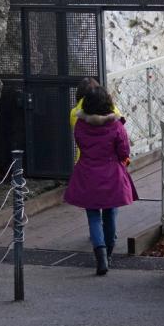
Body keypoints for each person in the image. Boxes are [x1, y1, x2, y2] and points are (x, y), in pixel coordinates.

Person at [64, 84, 137, 276]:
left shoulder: (80, 124)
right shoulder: (116, 126)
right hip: (112, 174)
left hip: (87, 173)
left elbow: (80, 143)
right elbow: (124, 152)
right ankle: (109, 250)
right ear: (108, 104)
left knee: (93, 216)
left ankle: (101, 256)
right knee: (110, 213)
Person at [70, 78, 124, 164]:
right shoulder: (110, 110)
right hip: (108, 163)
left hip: (84, 162)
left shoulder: (74, 113)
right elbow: (120, 122)